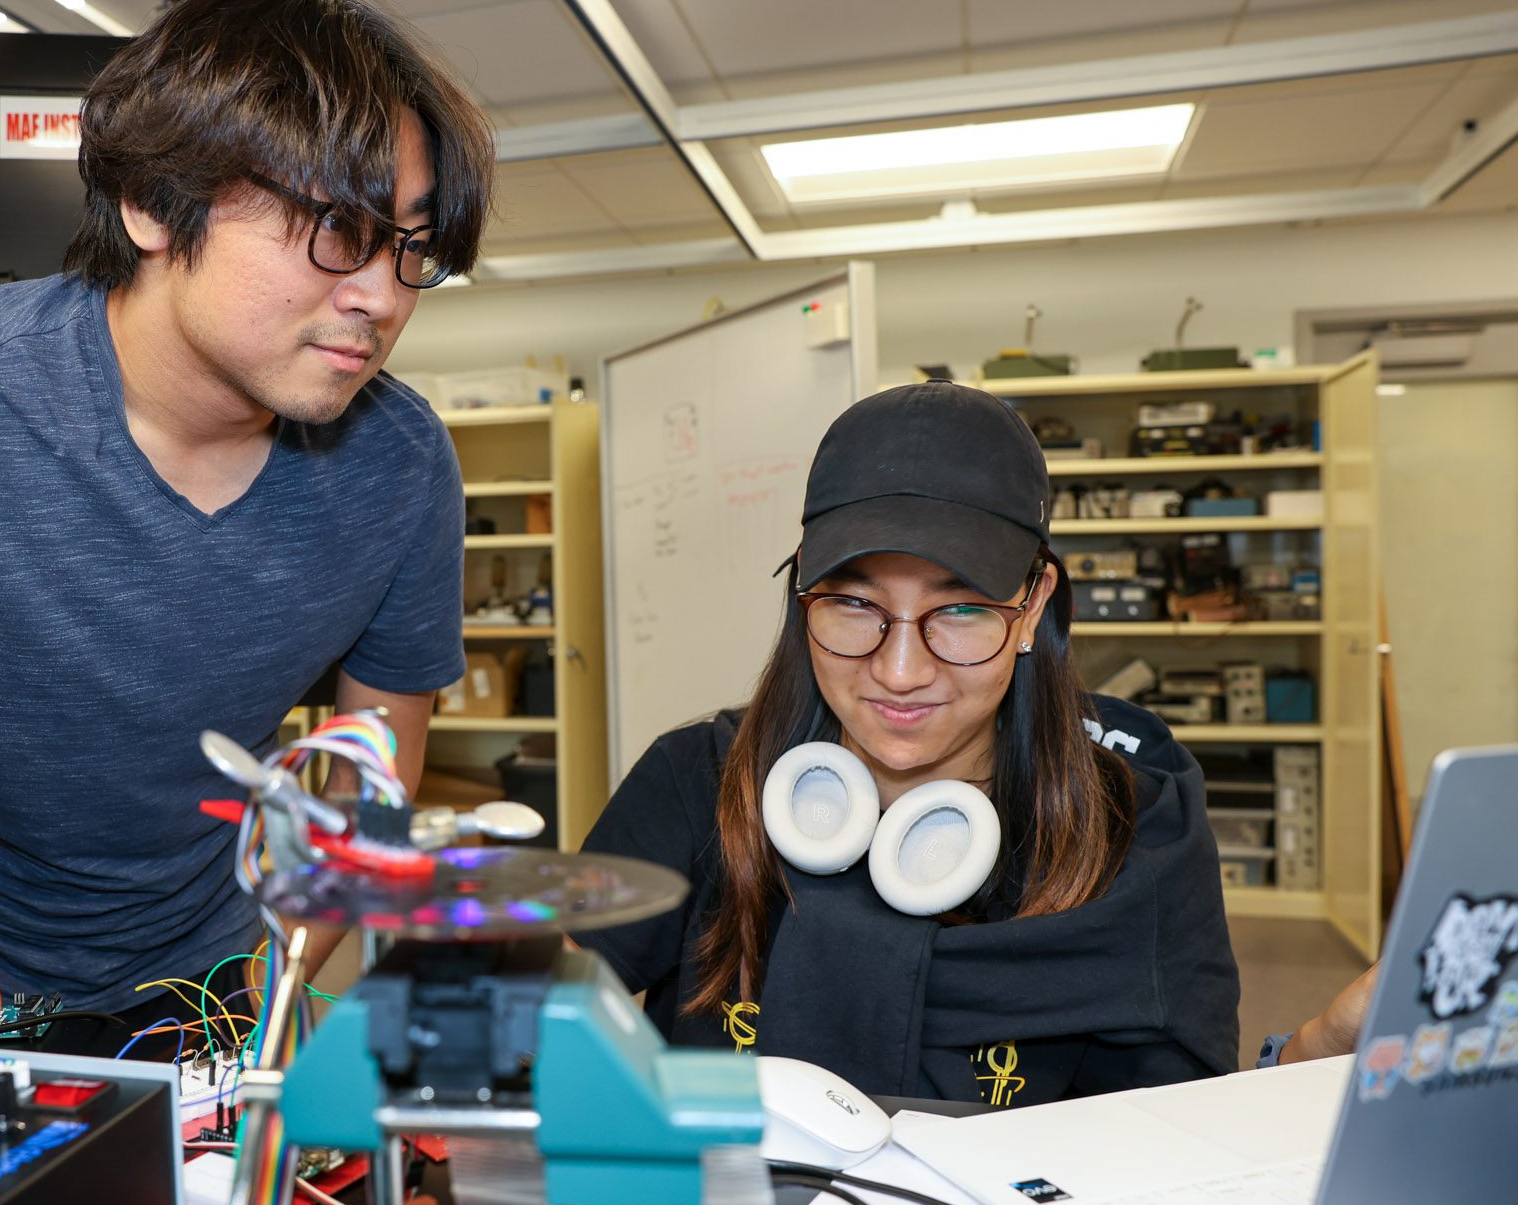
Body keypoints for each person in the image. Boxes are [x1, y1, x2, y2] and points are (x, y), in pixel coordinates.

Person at [0, 0, 495, 1022]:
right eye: (336, 227)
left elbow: (372, 783)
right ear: (152, 202)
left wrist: (270, 988)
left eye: (409, 247)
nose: (379, 295)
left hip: (215, 980)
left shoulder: (400, 464)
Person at [576, 381, 1358, 1105]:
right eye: (854, 602)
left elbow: (1175, 1139)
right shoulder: (699, 781)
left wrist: (1312, 1056)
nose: (901, 670)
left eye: (962, 610)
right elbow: (539, 1022)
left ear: (1031, 607)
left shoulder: (1135, 839)